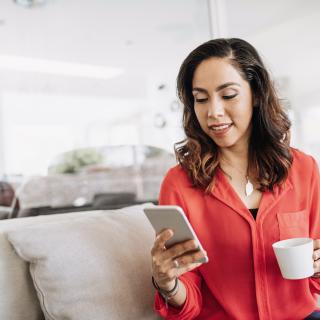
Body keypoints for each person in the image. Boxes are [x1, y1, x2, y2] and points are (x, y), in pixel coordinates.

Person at [150, 38, 320, 320]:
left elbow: (314, 282)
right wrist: (168, 284)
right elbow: (188, 300)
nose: (213, 112)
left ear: (256, 94)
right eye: (201, 99)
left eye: (228, 95)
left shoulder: (304, 169)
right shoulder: (179, 184)